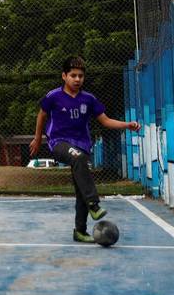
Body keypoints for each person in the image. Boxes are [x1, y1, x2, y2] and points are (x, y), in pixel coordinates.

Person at [29, 56, 141, 243]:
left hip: (82, 145)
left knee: (81, 184)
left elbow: (105, 120)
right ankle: (94, 205)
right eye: (73, 75)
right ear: (64, 76)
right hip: (59, 142)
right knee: (78, 158)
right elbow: (42, 115)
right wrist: (38, 138)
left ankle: (80, 231)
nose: (77, 79)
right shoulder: (53, 96)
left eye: (81, 75)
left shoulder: (89, 99)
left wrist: (126, 125)